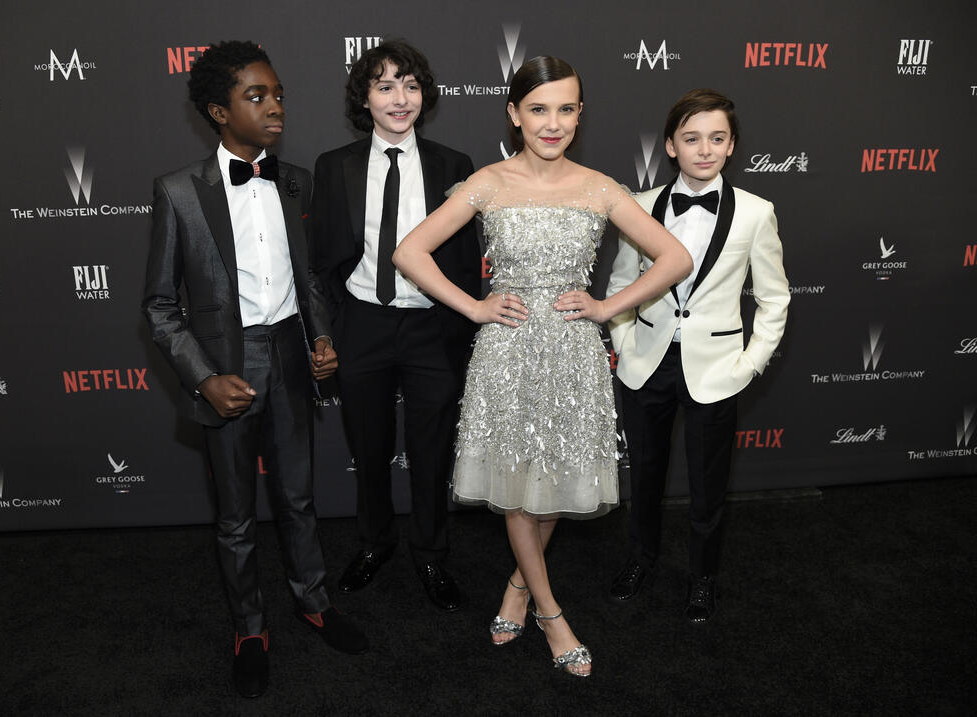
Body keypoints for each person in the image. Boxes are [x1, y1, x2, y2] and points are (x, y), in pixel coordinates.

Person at [393, 56, 692, 676]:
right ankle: (553, 614)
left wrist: (608, 305)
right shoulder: (487, 183)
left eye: (565, 109)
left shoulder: (600, 187)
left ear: (579, 114)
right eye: (537, 109)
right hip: (506, 350)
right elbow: (408, 252)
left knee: (551, 482)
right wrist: (473, 306)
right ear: (513, 114)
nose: (551, 123)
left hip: (574, 353)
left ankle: (519, 586)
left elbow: (674, 257)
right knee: (516, 489)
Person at [142, 41, 367, 699]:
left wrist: (322, 336)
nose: (275, 107)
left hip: (293, 359)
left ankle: (314, 600)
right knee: (236, 515)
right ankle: (248, 628)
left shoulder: (296, 179)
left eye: (279, 95)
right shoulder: (179, 193)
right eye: (256, 97)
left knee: (298, 497)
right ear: (218, 109)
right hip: (224, 368)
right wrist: (203, 376)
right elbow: (159, 306)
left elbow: (311, 280)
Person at [605, 88, 790, 623]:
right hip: (646, 362)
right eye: (691, 138)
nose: (704, 150)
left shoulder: (757, 213)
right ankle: (641, 559)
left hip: (716, 370)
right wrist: (623, 344)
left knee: (709, 488)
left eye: (716, 138)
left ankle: (702, 578)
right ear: (670, 145)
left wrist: (749, 363)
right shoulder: (638, 206)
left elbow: (775, 298)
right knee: (644, 475)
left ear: (731, 146)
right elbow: (622, 284)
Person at [310, 40, 481, 611]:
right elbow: (323, 254)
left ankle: (432, 554)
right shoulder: (334, 166)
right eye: (385, 86)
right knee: (369, 445)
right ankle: (373, 542)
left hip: (433, 329)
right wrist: (337, 320)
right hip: (363, 323)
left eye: (409, 85)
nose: (399, 98)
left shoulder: (453, 166)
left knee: (432, 454)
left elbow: (460, 258)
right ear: (365, 97)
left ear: (424, 95)